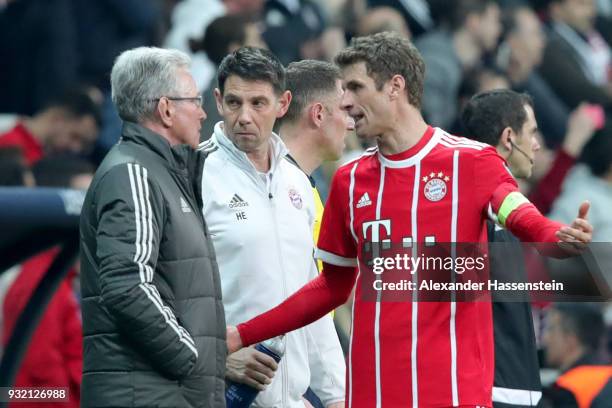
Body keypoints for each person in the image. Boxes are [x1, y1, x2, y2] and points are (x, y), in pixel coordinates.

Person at [227, 32, 594, 407]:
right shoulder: (349, 180)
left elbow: (522, 218)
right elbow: (332, 288)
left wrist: (559, 238)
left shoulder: (472, 162)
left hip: (454, 397)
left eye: (355, 87)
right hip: (373, 397)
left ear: (395, 87)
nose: (346, 102)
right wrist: (241, 335)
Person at [198, 47, 345, 408]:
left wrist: (338, 396)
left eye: (258, 103)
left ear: (283, 104)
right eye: (234, 102)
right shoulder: (193, 174)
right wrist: (215, 356)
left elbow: (315, 296)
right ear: (218, 101)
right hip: (217, 395)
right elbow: (164, 289)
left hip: (292, 399)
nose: (244, 117)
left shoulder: (299, 184)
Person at [79, 47, 225, 408]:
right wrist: (188, 355)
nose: (203, 111)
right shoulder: (134, 173)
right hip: (149, 393)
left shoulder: (163, 172)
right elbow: (127, 284)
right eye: (194, 99)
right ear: (166, 109)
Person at [461, 89, 545, 408]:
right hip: (493, 392)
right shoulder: (482, 204)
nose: (536, 144)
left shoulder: (484, 202)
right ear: (509, 138)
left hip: (506, 388)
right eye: (532, 132)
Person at [0, 88, 101, 165]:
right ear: (58, 119)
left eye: (84, 145)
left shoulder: (46, 158)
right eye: (75, 136)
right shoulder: (10, 145)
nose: (76, 148)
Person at [541, 303, 611, 407]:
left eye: (551, 329)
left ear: (571, 339)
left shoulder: (567, 390)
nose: (546, 338)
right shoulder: (607, 377)